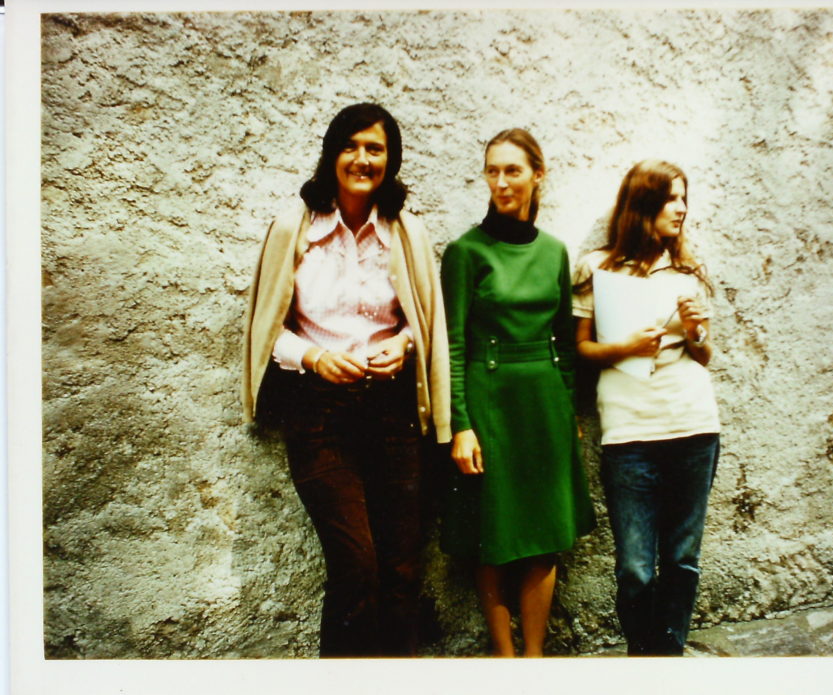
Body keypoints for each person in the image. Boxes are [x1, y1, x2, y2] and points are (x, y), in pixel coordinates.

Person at [242, 102, 451, 657]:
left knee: (403, 569)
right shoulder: (296, 229)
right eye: (351, 146)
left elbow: (424, 322)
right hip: (320, 416)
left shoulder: (408, 233)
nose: (363, 159)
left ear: (391, 160)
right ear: (333, 154)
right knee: (356, 566)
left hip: (392, 412)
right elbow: (268, 332)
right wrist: (314, 358)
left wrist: (402, 346)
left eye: (376, 149)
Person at [439, 128, 595, 657]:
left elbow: (563, 341)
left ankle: (534, 661)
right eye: (492, 170)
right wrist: (460, 423)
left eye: (513, 170)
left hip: (545, 406)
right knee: (494, 533)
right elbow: (453, 345)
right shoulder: (465, 252)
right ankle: (504, 660)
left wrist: (570, 407)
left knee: (544, 535)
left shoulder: (555, 252)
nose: (501, 182)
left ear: (537, 174)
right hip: (489, 405)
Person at [572, 160, 720, 656]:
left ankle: (669, 659)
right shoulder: (598, 268)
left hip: (693, 425)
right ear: (643, 204)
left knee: (682, 559)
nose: (681, 208)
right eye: (671, 198)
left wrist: (697, 331)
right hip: (629, 435)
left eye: (684, 198)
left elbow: (703, 354)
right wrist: (626, 347)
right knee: (635, 566)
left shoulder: (687, 271)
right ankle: (642, 659)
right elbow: (581, 350)